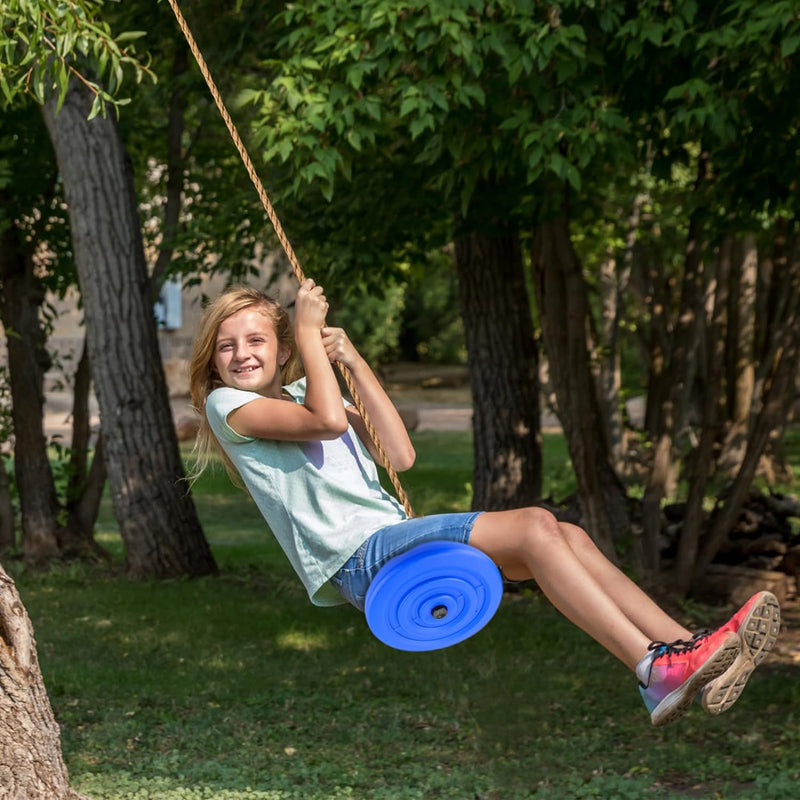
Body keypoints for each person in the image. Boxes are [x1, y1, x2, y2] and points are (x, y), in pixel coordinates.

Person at [188, 279, 781, 727]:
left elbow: (398, 454)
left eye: (256, 340)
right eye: (227, 346)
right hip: (359, 559)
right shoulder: (227, 407)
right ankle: (652, 669)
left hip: (387, 540)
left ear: (280, 348)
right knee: (530, 525)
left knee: (562, 534)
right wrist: (313, 336)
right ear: (213, 362)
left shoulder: (302, 387)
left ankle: (690, 649)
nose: (241, 355)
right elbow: (322, 420)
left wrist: (352, 361)